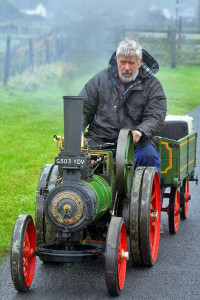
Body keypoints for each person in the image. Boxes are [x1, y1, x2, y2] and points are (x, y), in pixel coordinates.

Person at [79, 38, 167, 177]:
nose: (127, 68)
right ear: (117, 59)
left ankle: (149, 198)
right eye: (123, 62)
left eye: (131, 63)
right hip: (99, 141)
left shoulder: (153, 86)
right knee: (76, 160)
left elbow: (155, 116)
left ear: (139, 62)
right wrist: (79, 133)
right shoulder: (99, 80)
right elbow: (82, 110)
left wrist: (139, 131)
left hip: (136, 145)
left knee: (149, 156)